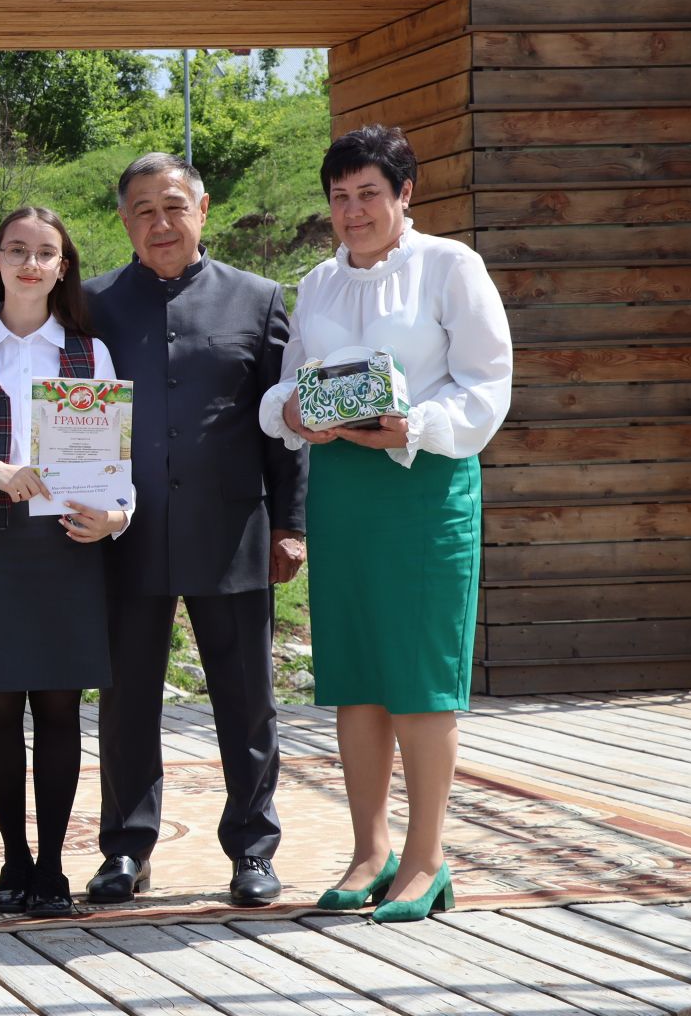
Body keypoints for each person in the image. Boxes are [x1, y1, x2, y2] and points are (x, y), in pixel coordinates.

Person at [261, 125, 511, 922]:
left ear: (405, 195)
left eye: (369, 193)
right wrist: (296, 412)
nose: (353, 210)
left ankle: (427, 858)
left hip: (425, 488)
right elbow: (283, 390)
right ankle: (370, 849)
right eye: (340, 197)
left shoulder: (451, 267)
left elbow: (487, 384)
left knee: (419, 674)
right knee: (356, 674)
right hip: (342, 489)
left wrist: (419, 424)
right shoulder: (317, 284)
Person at [83, 154, 308, 909]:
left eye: (173, 206)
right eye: (142, 210)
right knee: (126, 699)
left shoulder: (260, 298)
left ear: (203, 209)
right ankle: (126, 848)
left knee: (246, 701)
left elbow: (285, 425)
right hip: (124, 534)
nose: (160, 223)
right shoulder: (92, 305)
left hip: (232, 529)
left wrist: (290, 524)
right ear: (124, 221)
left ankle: (252, 848)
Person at [0, 207, 130, 917]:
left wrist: (116, 516)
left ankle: (53, 868)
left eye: (46, 253)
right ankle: (13, 859)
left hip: (66, 544)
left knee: (61, 704)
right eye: (18, 251)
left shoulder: (89, 354)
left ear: (63, 267)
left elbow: (114, 460)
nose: (31, 264)